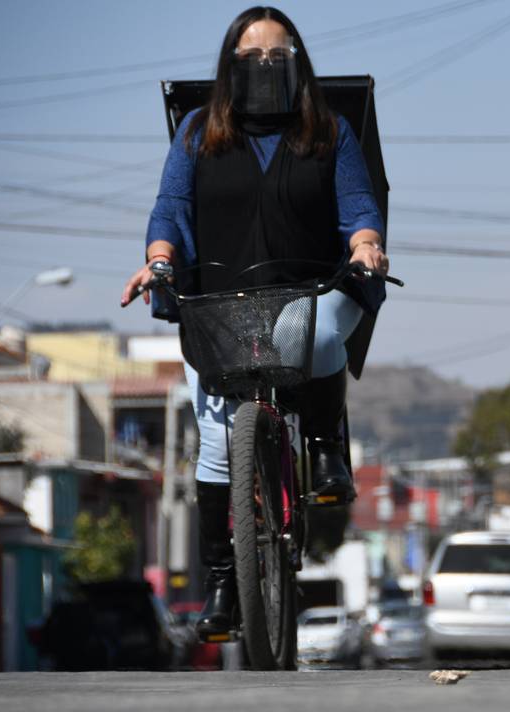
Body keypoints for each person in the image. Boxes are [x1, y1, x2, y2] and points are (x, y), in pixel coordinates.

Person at [119, 6, 388, 640]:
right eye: (252, 57)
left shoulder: (330, 133)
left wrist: (367, 245)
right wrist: (158, 262)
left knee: (322, 335)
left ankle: (324, 446)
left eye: (279, 55)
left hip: (312, 294)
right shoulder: (195, 134)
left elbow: (358, 207)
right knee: (215, 446)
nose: (267, 66)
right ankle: (223, 580)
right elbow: (169, 211)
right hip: (220, 309)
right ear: (228, 66)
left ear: (298, 63)